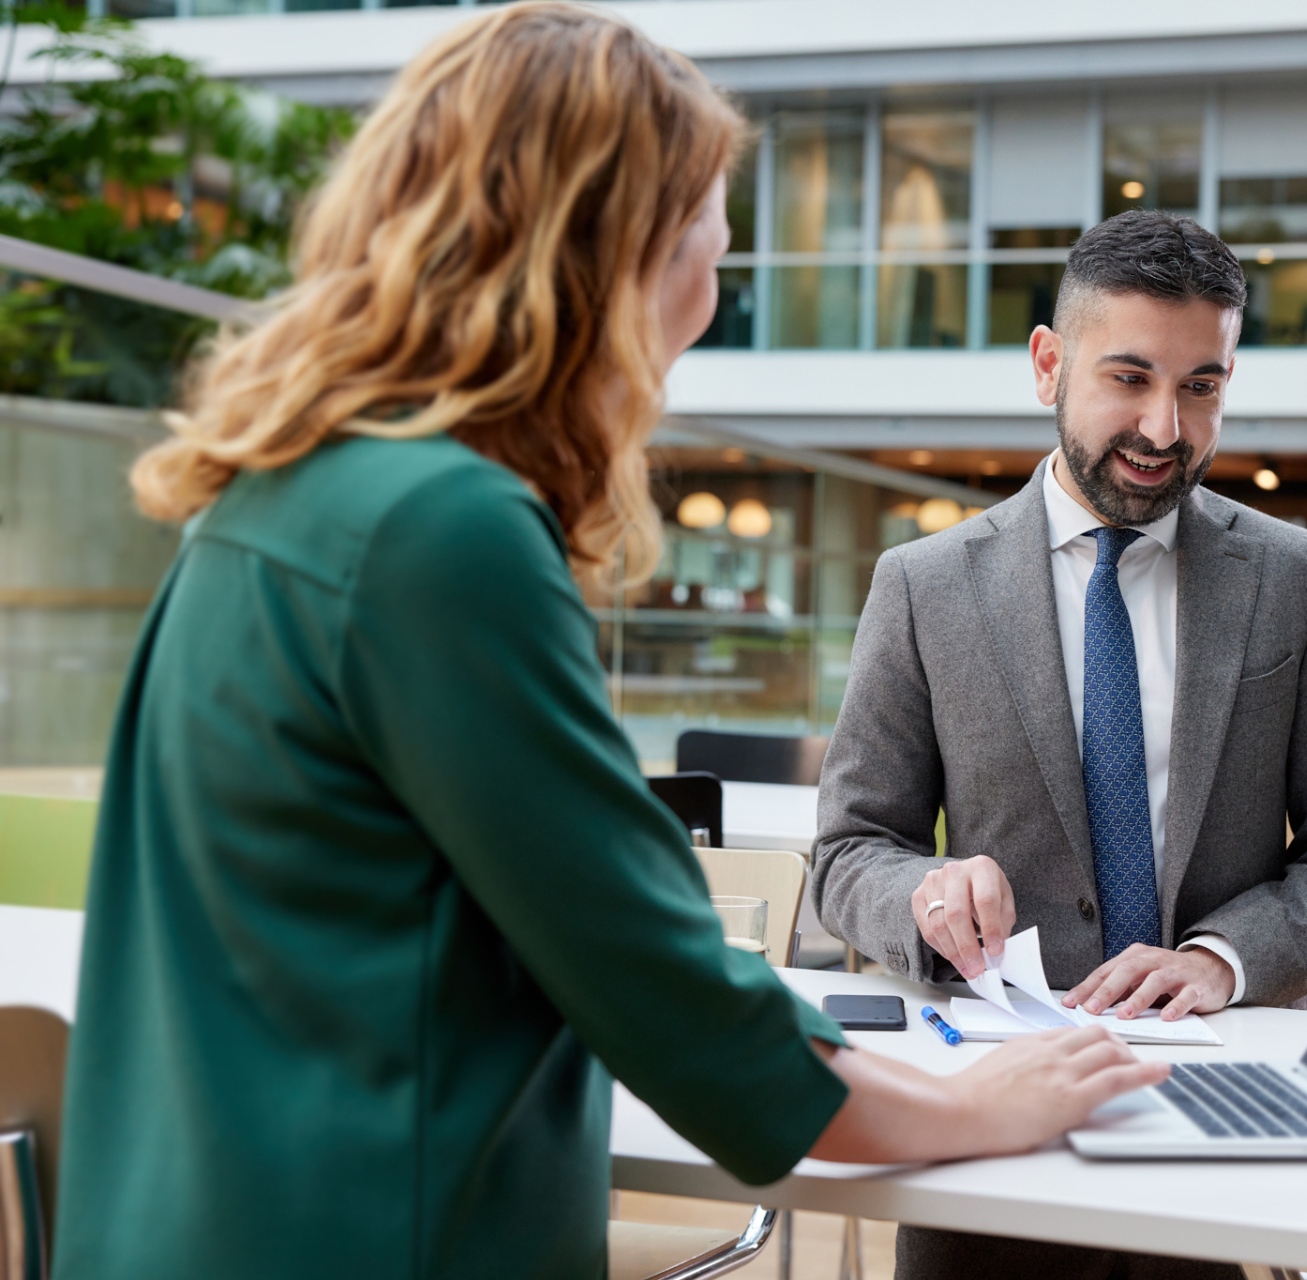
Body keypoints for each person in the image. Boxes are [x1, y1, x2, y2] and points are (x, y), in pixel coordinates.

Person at [51, 10, 1166, 1279]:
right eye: (708, 226)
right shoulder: (442, 532)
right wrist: (986, 1100)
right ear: (616, 248)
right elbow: (660, 983)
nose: (718, 273)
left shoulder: (276, 491)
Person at [813, 210, 1307, 1280]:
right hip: (994, 1137)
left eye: (1201, 387)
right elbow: (855, 845)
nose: (1165, 428)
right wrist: (925, 893)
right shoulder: (923, 585)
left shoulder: (1301, 578)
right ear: (1049, 363)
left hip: (1225, 1125)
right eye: (1129, 378)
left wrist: (1222, 960)